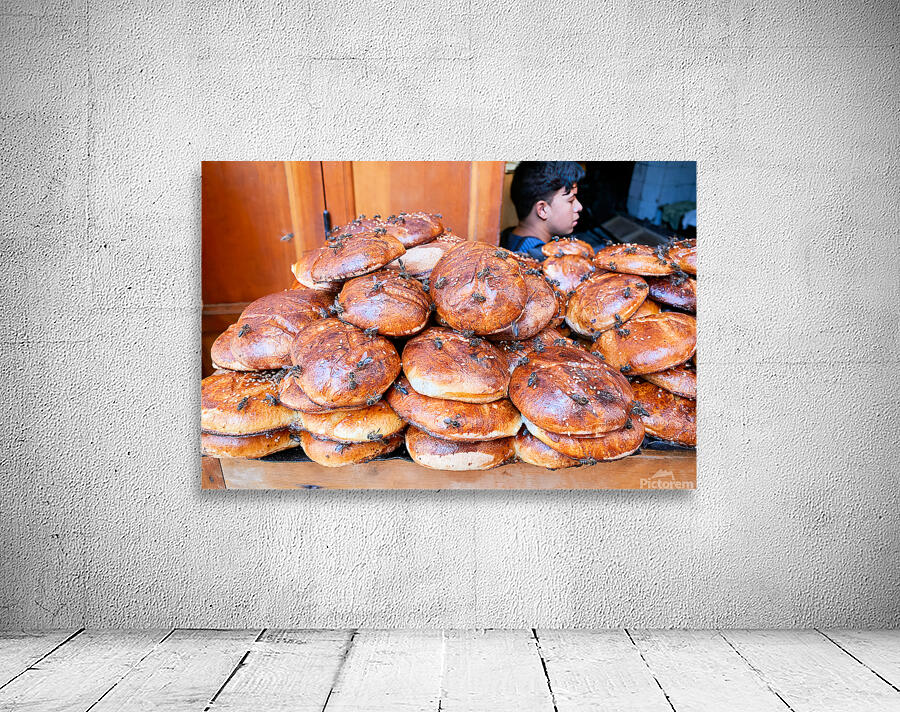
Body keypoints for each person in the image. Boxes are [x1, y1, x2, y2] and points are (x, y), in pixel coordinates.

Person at [500, 161, 585, 260]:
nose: (579, 207)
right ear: (543, 210)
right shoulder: (540, 264)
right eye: (571, 200)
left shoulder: (506, 237)